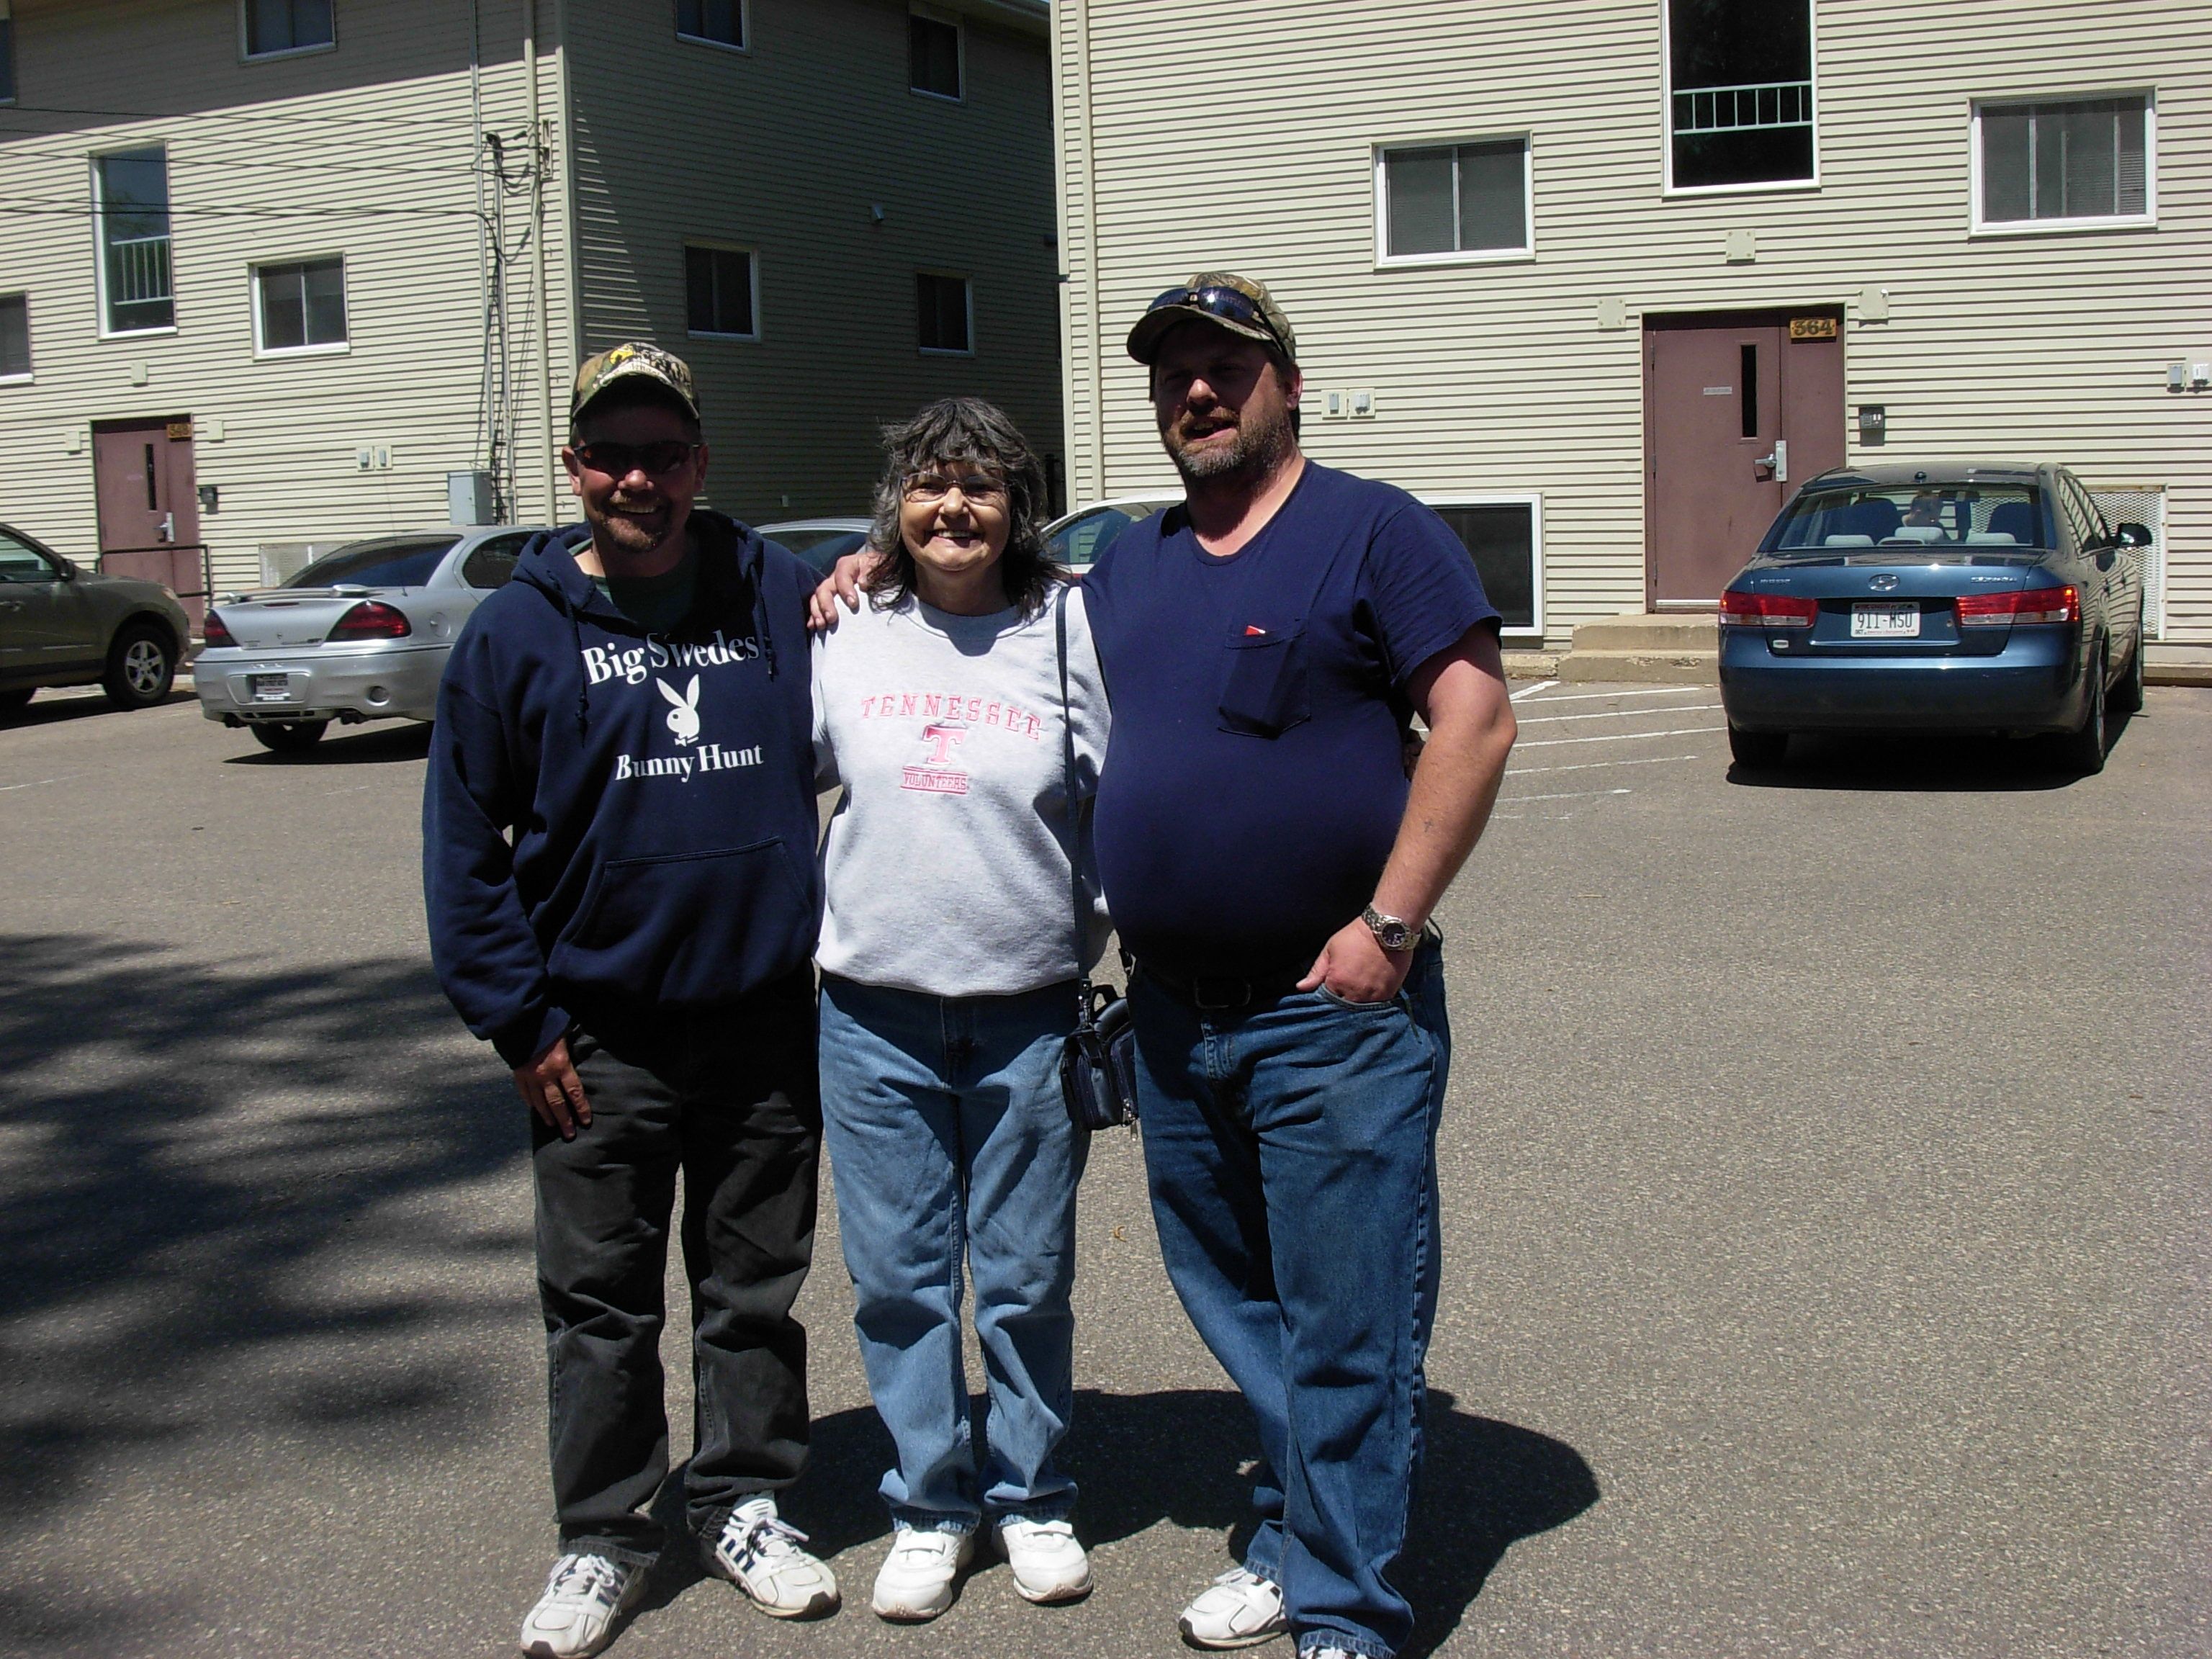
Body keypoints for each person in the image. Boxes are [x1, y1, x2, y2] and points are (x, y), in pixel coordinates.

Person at [816, 272, 1519, 1659]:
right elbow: (987, 601)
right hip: (1175, 1016)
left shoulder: (1375, 532)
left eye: (1228, 367)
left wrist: (1388, 927)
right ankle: (1302, 1524)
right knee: (1238, 1301)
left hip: (1332, 1010)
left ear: (1288, 383)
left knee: (1347, 1312)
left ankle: (1347, 1607)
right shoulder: (1124, 568)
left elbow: (1476, 720)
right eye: (1174, 373)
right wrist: (870, 564)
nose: (1199, 390)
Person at [424, 343, 839, 1659]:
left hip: (765, 1020)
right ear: (574, 468)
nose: (638, 479)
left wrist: (899, 566)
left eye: (664, 453)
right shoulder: (516, 632)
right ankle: (603, 1535)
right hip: (595, 1038)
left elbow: (906, 625)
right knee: (601, 1303)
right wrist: (520, 1021)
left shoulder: (771, 587)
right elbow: (462, 847)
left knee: (752, 1290)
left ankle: (743, 1499)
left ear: (700, 465)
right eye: (612, 455)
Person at [811, 397, 1108, 1622]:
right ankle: (932, 1506)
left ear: (1018, 507)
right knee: (901, 1280)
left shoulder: (1071, 625)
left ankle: (1033, 1496)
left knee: (1027, 1277)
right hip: (870, 1014)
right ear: (896, 503)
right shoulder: (845, 624)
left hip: (1028, 1012)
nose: (955, 508)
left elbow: (1127, 791)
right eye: (931, 484)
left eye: (982, 486)